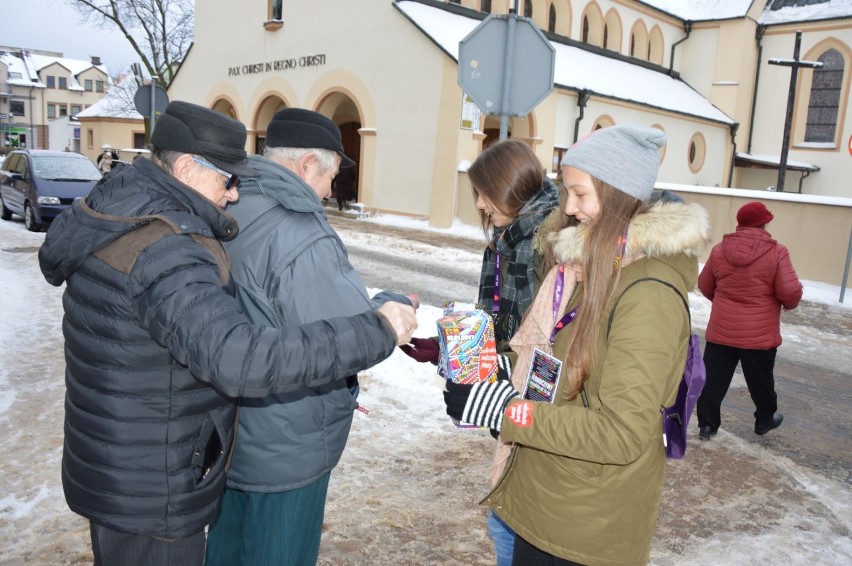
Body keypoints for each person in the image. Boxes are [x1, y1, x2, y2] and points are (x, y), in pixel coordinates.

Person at [37, 100, 417, 566]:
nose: (235, 195)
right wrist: (377, 328)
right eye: (226, 179)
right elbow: (238, 358)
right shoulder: (164, 246)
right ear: (186, 167)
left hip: (127, 462)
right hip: (152, 485)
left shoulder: (126, 210)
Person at [443, 125, 710, 565]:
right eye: (567, 192)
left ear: (619, 194)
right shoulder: (593, 269)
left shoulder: (648, 294)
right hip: (548, 499)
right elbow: (563, 366)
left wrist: (506, 411)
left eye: (580, 195)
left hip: (585, 526)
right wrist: (501, 373)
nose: (568, 207)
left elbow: (621, 433)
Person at [203, 108, 412, 565]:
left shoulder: (231, 203)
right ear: (306, 166)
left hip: (229, 434)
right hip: (287, 442)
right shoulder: (298, 229)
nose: (330, 189)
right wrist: (393, 308)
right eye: (331, 176)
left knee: (226, 551)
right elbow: (344, 333)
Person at [401, 138, 559, 565]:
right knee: (504, 520)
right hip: (508, 397)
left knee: (510, 526)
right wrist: (449, 350)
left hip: (534, 405)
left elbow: (543, 344)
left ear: (507, 187)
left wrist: (494, 379)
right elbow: (497, 324)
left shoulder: (545, 244)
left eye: (484, 194)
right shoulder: (509, 238)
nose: (481, 206)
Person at [696, 201, 802, 441]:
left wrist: (725, 303)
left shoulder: (720, 249)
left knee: (713, 379)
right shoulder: (777, 252)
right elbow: (789, 292)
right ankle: (765, 419)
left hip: (722, 330)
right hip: (759, 333)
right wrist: (788, 303)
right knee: (761, 381)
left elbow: (704, 285)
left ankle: (706, 425)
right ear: (763, 223)